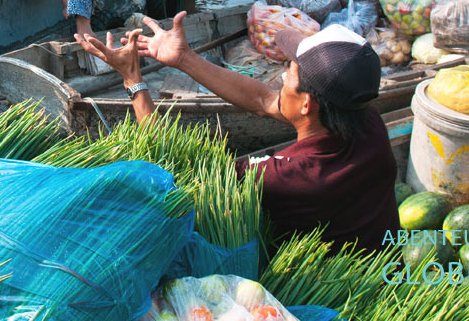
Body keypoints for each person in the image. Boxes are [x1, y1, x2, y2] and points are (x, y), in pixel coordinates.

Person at [74, 15, 398, 250]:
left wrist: (133, 79)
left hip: (331, 287)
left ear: (307, 105)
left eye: (289, 72)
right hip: (382, 259)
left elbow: (170, 174)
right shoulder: (366, 121)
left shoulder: (287, 178)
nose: (281, 78)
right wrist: (184, 58)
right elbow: (263, 100)